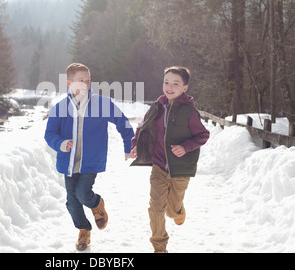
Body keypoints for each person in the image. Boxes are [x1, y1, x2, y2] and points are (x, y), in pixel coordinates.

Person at [45, 63, 134, 251]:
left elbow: (123, 123)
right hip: (68, 161)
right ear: (69, 83)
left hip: (91, 161)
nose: (86, 84)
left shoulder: (101, 104)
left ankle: (96, 203)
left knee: (83, 194)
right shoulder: (60, 107)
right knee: (72, 202)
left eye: (88, 80)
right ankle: (84, 230)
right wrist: (60, 143)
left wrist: (129, 146)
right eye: (80, 80)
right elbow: (50, 133)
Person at [130, 66, 210, 253]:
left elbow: (203, 135)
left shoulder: (189, 112)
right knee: (156, 207)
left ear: (184, 88)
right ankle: (159, 247)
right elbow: (142, 127)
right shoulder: (156, 107)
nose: (170, 87)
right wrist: (135, 144)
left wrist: (186, 147)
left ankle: (179, 211)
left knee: (171, 211)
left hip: (180, 169)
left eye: (176, 83)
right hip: (158, 166)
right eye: (166, 82)